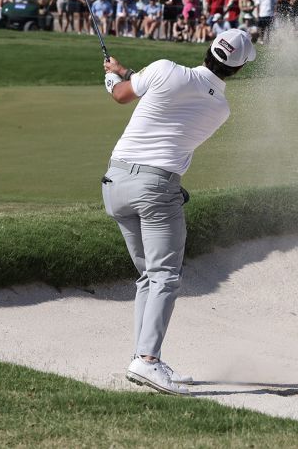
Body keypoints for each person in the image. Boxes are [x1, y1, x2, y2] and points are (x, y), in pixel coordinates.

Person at [100, 29, 256, 395]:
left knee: (149, 277)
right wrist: (124, 74)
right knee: (165, 276)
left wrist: (113, 76)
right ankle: (147, 362)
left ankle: (143, 356)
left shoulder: (164, 68)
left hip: (115, 182)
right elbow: (179, 99)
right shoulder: (221, 108)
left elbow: (123, 95)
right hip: (156, 190)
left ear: (208, 48)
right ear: (238, 69)